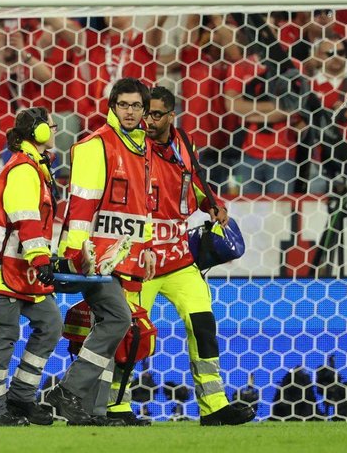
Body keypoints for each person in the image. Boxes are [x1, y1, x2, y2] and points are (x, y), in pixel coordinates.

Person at [105, 86, 256, 426]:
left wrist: (212, 203)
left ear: (171, 116)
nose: (147, 120)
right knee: (131, 335)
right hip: (138, 260)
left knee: (202, 324)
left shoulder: (181, 142)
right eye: (145, 112)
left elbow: (194, 178)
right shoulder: (128, 144)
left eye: (156, 114)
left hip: (177, 257)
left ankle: (214, 405)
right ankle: (116, 406)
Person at [44, 78, 156, 426]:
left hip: (121, 258)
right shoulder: (97, 145)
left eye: (137, 105)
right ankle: (69, 391)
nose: (130, 111)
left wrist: (147, 246)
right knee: (118, 320)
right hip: (95, 259)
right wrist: (78, 254)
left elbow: (142, 206)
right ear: (112, 105)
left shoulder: (142, 147)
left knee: (110, 324)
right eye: (124, 104)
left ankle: (94, 410)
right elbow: (81, 206)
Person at [0, 106, 60, 427]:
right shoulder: (23, 169)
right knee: (2, 337)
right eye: (51, 126)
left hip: (22, 270)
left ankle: (21, 398)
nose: (55, 131)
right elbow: (26, 217)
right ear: (38, 133)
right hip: (3, 269)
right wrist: (40, 258)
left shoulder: (36, 166)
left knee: (50, 324)